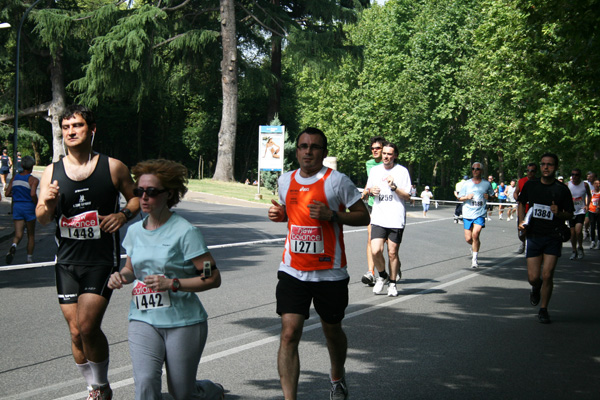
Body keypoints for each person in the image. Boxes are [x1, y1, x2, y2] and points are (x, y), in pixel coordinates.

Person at [36, 104, 140, 400]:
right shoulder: (52, 172)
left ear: (91, 130)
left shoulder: (113, 167)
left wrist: (122, 215)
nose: (71, 131)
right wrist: (48, 203)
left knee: (87, 325)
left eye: (77, 126)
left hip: (101, 260)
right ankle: (94, 387)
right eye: (66, 127)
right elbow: (42, 218)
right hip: (66, 262)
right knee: (75, 332)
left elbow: (135, 200)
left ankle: (102, 385)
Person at [107, 159, 225, 400]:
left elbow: (212, 277)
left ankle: (210, 391)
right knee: (146, 382)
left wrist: (172, 284)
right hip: (143, 318)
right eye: (139, 192)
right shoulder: (134, 231)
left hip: (183, 322)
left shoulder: (186, 233)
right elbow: (131, 268)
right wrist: (121, 276)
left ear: (169, 194)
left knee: (181, 393)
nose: (144, 198)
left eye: (152, 192)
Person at [268, 127, 369, 400]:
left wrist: (333, 215)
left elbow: (364, 216)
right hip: (292, 269)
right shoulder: (285, 180)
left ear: (323, 152)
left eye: (314, 147)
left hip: (329, 273)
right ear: (297, 150)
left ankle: (337, 376)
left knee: (332, 331)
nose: (308, 151)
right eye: (303, 146)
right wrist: (279, 214)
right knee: (289, 333)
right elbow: (289, 211)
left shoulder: (338, 181)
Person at [518, 153, 574, 324]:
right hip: (534, 235)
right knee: (534, 277)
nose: (546, 167)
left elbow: (570, 213)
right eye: (543, 164)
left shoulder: (561, 189)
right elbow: (521, 203)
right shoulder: (531, 185)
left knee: (548, 274)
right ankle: (536, 287)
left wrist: (560, 213)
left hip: (553, 235)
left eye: (549, 165)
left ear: (555, 167)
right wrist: (521, 223)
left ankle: (543, 309)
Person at [364, 142, 412, 296]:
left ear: (395, 156)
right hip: (378, 217)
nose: (385, 156)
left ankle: (392, 283)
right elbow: (366, 192)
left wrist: (394, 187)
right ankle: (382, 276)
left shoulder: (402, 171)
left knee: (392, 252)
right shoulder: (375, 171)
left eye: (389, 154)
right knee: (376, 250)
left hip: (395, 218)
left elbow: (408, 196)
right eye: (384, 153)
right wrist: (371, 191)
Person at [458, 162, 495, 268]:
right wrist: (466, 197)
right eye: (473, 168)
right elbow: (459, 197)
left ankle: (474, 259)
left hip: (480, 213)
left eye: (477, 169)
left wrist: (489, 197)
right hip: (467, 213)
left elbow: (492, 196)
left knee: (475, 234)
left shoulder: (486, 184)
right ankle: (474, 246)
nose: (475, 170)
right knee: (468, 239)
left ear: (481, 171)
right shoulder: (467, 184)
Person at [4, 155, 39, 264]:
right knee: (31, 234)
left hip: (17, 207)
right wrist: (37, 203)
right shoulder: (33, 180)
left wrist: (17, 195)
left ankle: (13, 245)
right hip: (29, 207)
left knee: (18, 234)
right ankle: (29, 258)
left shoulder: (15, 178)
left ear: (22, 165)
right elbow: (33, 193)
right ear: (32, 167)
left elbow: (7, 193)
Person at [360, 135, 385, 286]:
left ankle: (395, 266)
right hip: (372, 205)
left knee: (388, 244)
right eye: (373, 148)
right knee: (371, 238)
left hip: (387, 206)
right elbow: (369, 184)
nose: (375, 151)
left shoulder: (391, 164)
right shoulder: (369, 164)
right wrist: (365, 192)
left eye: (378, 148)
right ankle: (371, 272)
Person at [567, 168, 591, 260]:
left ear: (580, 176)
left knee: (578, 231)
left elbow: (589, 195)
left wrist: (587, 205)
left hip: (580, 211)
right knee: (572, 233)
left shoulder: (584, 185)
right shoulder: (568, 185)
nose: (574, 176)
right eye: (573, 174)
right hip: (571, 211)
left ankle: (580, 247)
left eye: (576, 175)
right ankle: (574, 250)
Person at [514, 163, 538, 253]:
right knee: (521, 230)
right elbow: (516, 192)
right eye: (528, 171)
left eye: (532, 171)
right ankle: (522, 242)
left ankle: (530, 245)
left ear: (535, 172)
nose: (530, 173)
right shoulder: (521, 181)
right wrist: (518, 200)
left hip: (533, 210)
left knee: (532, 229)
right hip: (523, 209)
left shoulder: (538, 182)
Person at [583, 171, 597, 241]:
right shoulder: (585, 184)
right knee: (587, 221)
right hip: (588, 205)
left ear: (595, 178)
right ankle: (586, 231)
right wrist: (586, 204)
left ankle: (593, 236)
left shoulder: (597, 184)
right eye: (588, 176)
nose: (589, 178)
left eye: (591, 177)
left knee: (593, 222)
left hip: (596, 206)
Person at [589, 178, 600, 249]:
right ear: (593, 184)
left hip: (599, 211)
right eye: (595, 183)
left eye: (598, 183)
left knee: (599, 226)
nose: (597, 185)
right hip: (591, 210)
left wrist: (598, 207)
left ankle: (599, 241)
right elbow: (588, 199)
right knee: (592, 226)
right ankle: (592, 241)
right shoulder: (591, 192)